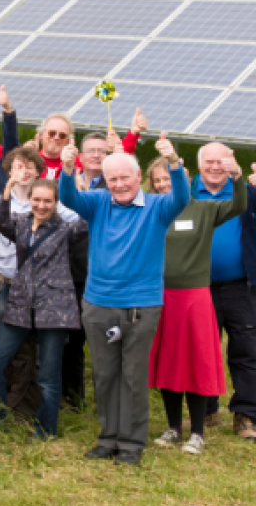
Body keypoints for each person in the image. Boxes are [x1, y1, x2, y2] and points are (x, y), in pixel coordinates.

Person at [58, 136, 189, 466]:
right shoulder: (99, 202)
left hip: (140, 307)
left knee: (132, 376)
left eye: (124, 178)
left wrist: (174, 162)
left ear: (137, 177)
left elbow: (183, 196)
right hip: (98, 303)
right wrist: (68, 167)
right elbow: (69, 196)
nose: (119, 185)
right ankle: (107, 438)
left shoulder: (158, 208)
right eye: (112, 179)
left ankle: (131, 444)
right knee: (105, 374)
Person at [145, 154, 245, 453]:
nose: (164, 185)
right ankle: (174, 427)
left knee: (195, 363)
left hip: (194, 298)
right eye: (157, 181)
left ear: (182, 179)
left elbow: (239, 205)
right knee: (168, 363)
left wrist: (238, 177)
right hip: (161, 297)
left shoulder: (204, 208)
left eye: (168, 178)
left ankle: (198, 433)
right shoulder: (152, 211)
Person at [0, 174, 88, 438]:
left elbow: (88, 223)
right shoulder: (20, 224)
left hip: (55, 309)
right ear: (29, 201)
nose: (41, 205)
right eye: (36, 200)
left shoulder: (66, 228)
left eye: (47, 201)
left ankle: (45, 428)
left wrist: (82, 195)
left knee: (48, 375)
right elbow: (0, 221)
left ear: (55, 202)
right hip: (20, 305)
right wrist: (6, 191)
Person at [191, 143, 256, 441]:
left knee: (245, 350)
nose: (216, 167)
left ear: (232, 164)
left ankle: (246, 414)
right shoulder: (186, 193)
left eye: (222, 161)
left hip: (240, 287)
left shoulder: (248, 193)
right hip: (198, 286)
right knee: (203, 349)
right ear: (199, 164)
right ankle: (206, 409)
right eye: (210, 161)